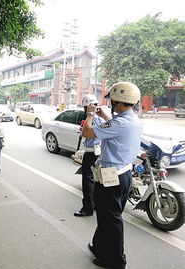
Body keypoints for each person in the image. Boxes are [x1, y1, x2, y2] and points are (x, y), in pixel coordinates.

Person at [82, 82, 143, 269]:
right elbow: (113, 126)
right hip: (124, 174)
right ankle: (99, 247)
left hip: (111, 178)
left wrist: (90, 114)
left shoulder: (120, 123)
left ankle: (116, 260)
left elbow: (87, 132)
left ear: (118, 102)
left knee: (112, 219)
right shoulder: (133, 120)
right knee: (106, 215)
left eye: (113, 102)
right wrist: (104, 115)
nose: (111, 105)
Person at [74, 94, 104, 217]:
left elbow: (87, 133)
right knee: (97, 181)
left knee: (88, 181)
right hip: (99, 153)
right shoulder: (101, 119)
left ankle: (87, 208)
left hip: (91, 152)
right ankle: (96, 204)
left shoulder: (91, 118)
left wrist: (88, 119)